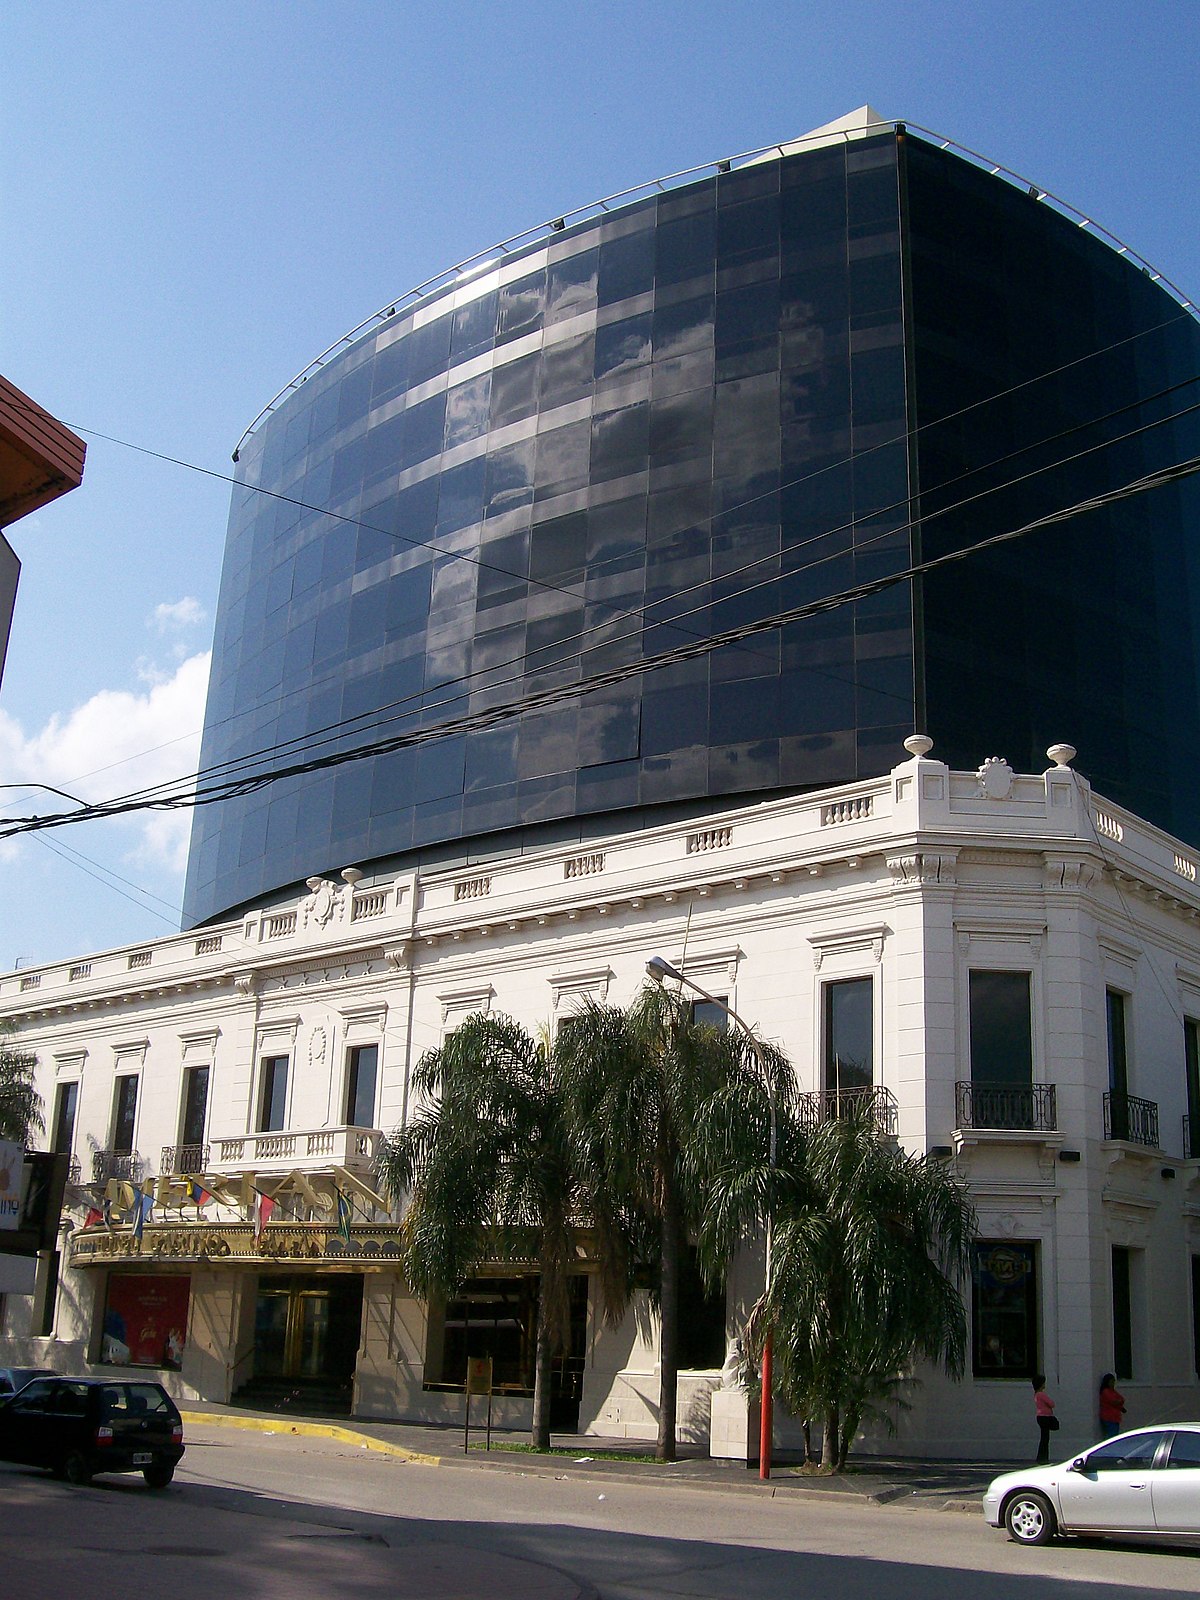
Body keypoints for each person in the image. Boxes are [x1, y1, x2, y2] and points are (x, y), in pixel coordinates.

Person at [1033, 1374, 1057, 1463]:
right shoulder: (1041, 1394)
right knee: (1045, 1439)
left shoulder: (1036, 1395)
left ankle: (1042, 1457)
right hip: (1045, 1417)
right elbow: (1051, 1404)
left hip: (1041, 1416)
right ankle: (1043, 1458)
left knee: (1044, 1438)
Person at [1098, 1372, 1126, 1438]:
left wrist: (1119, 1401)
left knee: (1114, 1435)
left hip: (1115, 1418)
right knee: (1111, 1436)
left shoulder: (1112, 1391)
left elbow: (1121, 1398)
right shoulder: (1105, 1391)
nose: (1113, 1383)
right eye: (1111, 1381)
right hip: (1109, 1418)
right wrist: (1119, 1401)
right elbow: (1113, 1401)